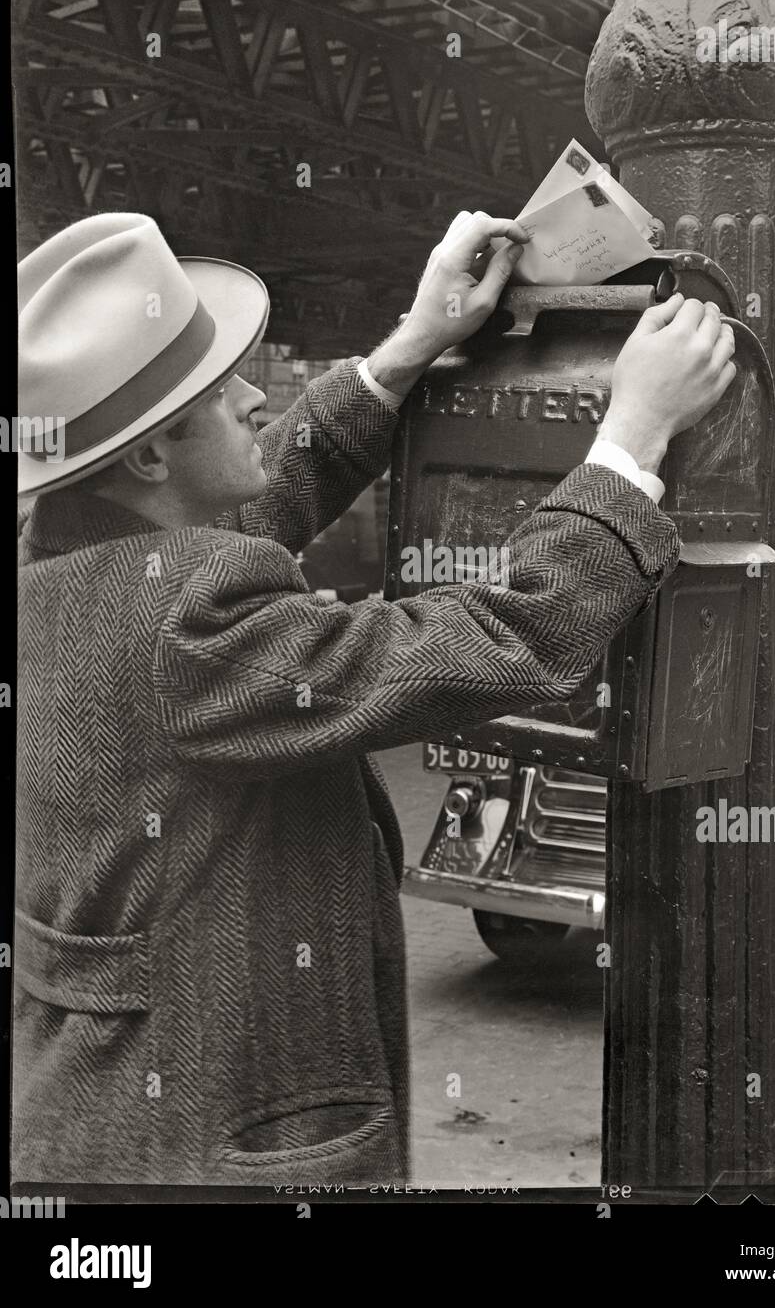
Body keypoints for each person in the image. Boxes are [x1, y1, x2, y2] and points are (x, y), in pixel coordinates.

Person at [15, 210, 735, 1186]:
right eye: (223, 394)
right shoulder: (190, 630)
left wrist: (412, 341)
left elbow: (246, 506)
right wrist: (631, 436)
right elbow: (505, 636)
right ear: (147, 458)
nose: (254, 402)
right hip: (219, 1146)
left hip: (90, 1116)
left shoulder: (64, 570)